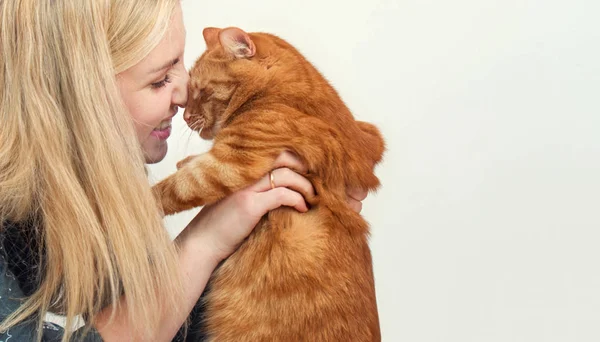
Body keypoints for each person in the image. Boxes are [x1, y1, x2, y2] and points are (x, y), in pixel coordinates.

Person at [0, 1, 368, 341]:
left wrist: (267, 244)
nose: (184, 94)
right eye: (159, 80)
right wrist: (203, 242)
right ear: (75, 97)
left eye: (180, 62)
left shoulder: (101, 185)